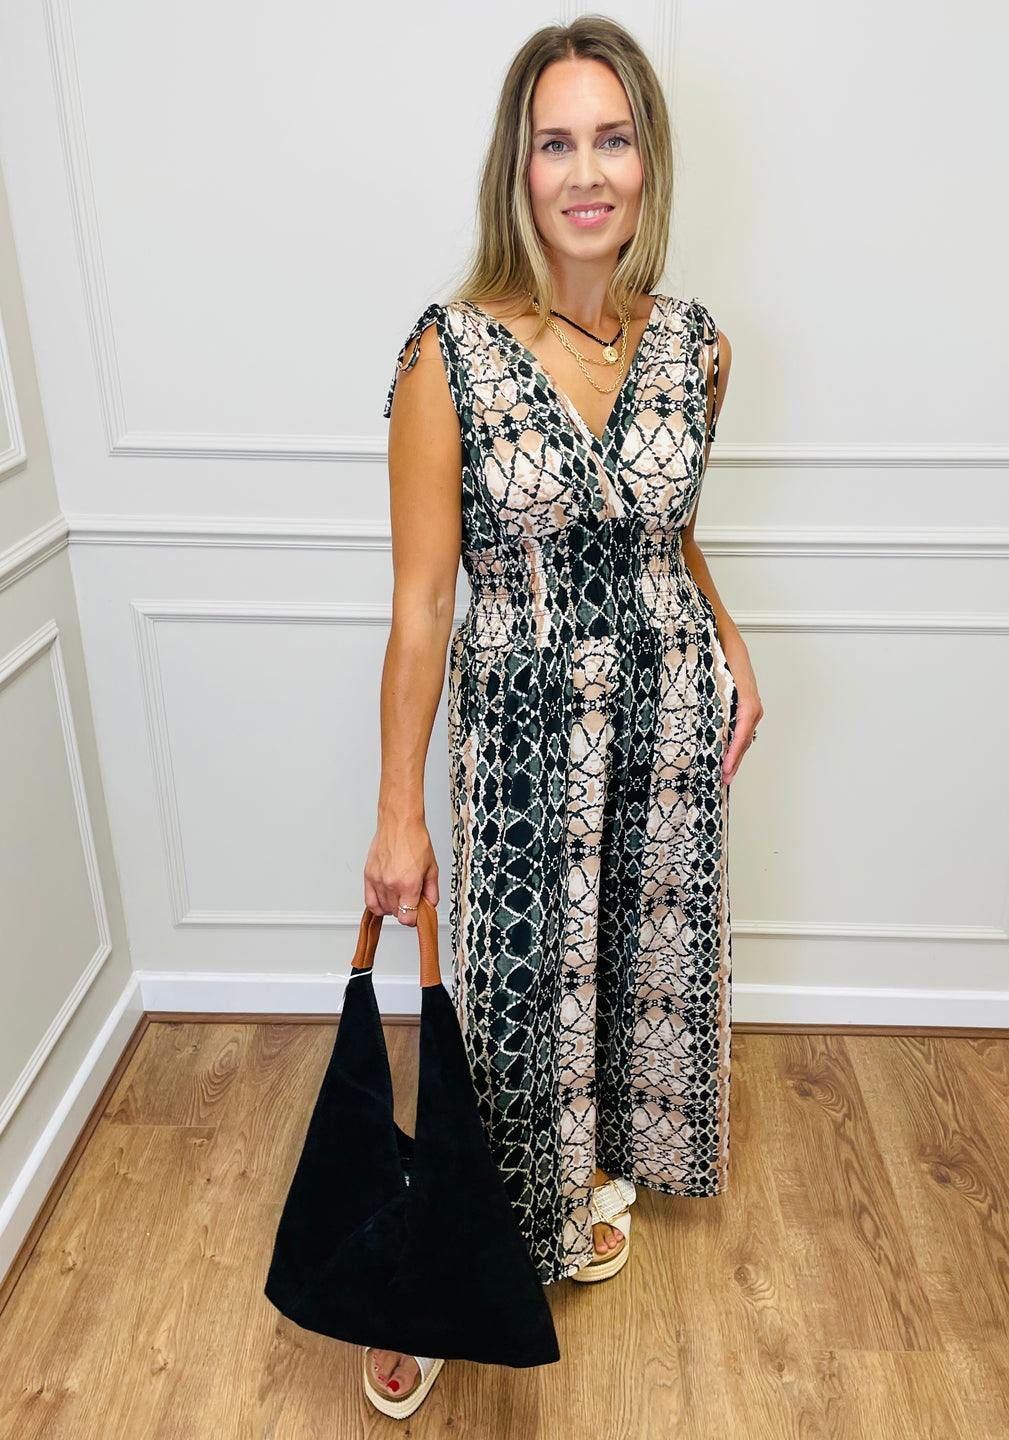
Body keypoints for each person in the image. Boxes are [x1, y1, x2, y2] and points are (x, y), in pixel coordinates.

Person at [361, 13, 764, 1419]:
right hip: (526, 734)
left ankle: (573, 1191)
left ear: (648, 159)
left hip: (666, 723)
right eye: (555, 143)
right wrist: (399, 814)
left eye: (612, 139)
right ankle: (436, 1269)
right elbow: (424, 603)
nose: (586, 173)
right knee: (514, 1006)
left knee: (622, 976)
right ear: (517, 167)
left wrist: (726, 634)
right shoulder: (449, 356)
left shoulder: (700, 349)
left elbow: (664, 527)